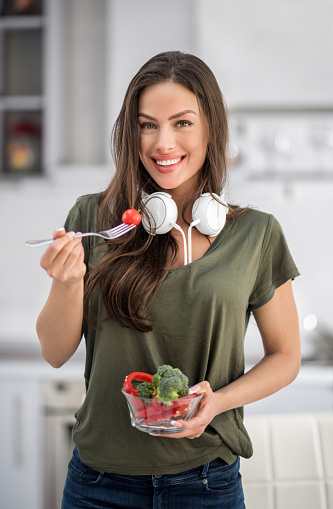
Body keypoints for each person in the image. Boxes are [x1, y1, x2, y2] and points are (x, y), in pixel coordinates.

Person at [36, 51, 300, 509]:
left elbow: (286, 356)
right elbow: (55, 352)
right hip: (98, 486)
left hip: (206, 486)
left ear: (210, 129)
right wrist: (66, 282)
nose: (162, 143)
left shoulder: (256, 234)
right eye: (146, 124)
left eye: (181, 123)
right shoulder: (94, 218)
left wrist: (217, 402)